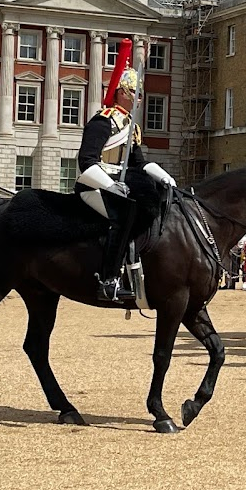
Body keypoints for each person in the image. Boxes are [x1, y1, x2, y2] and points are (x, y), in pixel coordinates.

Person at [76, 41, 176, 302]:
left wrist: (164, 177)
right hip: (94, 185)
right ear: (122, 92)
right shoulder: (103, 121)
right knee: (125, 213)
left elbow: (138, 163)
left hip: (121, 185)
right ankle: (108, 279)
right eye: (135, 92)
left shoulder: (132, 127)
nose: (140, 98)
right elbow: (86, 161)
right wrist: (110, 186)